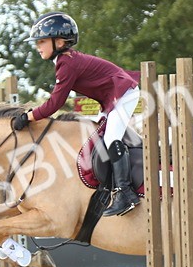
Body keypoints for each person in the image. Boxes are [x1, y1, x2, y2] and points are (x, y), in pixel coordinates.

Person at [12, 12, 141, 217]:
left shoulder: (67, 63)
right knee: (103, 136)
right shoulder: (65, 61)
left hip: (123, 94)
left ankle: (125, 193)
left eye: (42, 41)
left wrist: (28, 116)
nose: (38, 46)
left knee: (111, 138)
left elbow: (56, 103)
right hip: (113, 97)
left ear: (60, 42)